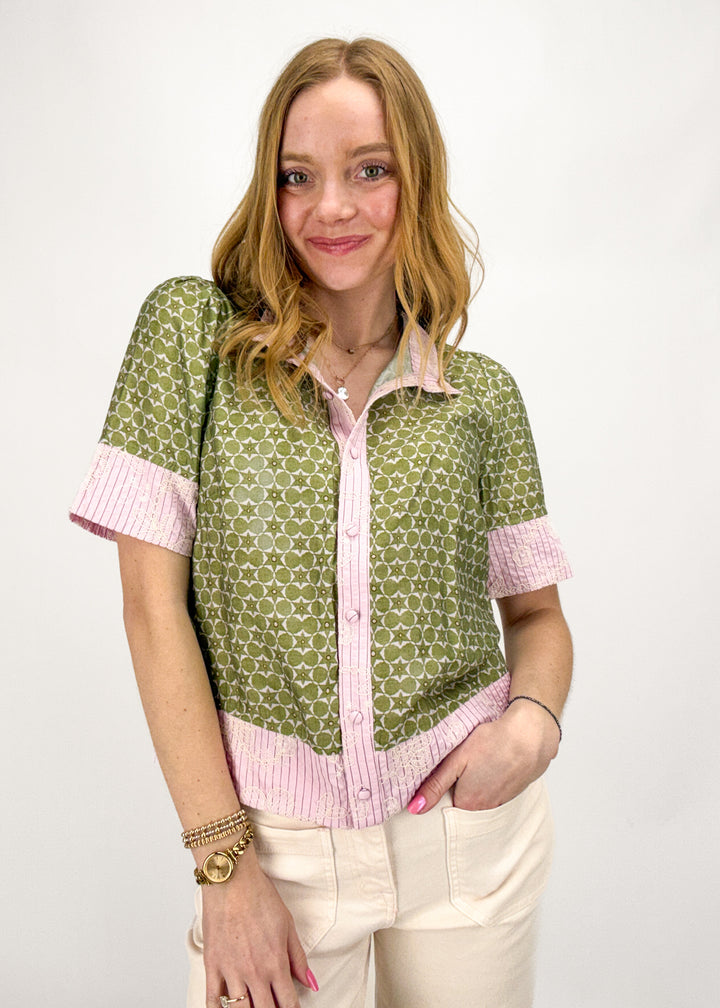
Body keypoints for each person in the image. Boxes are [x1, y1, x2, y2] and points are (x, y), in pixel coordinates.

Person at [70, 36, 573, 1008]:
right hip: (275, 856)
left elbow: (539, 619)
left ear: (415, 179)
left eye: (368, 171)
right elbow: (148, 608)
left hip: (469, 845)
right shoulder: (192, 340)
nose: (330, 207)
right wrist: (225, 867)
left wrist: (534, 724)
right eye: (298, 176)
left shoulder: (481, 398)